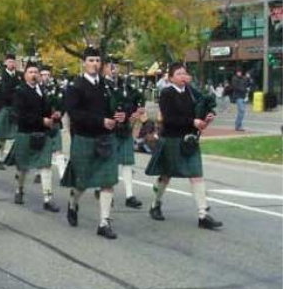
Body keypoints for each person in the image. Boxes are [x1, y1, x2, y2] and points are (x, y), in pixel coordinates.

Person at [145, 63, 223, 230]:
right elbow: (169, 119)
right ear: (171, 77)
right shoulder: (166, 93)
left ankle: (203, 215)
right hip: (172, 139)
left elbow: (198, 114)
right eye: (179, 73)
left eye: (184, 73)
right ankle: (155, 204)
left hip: (189, 140)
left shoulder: (191, 93)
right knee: (166, 175)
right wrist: (192, 121)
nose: (183, 76)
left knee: (196, 175)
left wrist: (205, 119)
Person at [61, 46, 126, 240]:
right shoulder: (75, 87)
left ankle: (104, 222)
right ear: (83, 63)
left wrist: (121, 115)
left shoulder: (107, 86)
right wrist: (100, 121)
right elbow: (74, 113)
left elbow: (117, 105)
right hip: (84, 138)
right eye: (91, 60)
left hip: (106, 139)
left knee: (107, 181)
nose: (95, 64)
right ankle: (73, 204)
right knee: (82, 182)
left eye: (97, 61)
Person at [4, 61, 60, 212]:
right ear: (25, 75)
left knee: (46, 166)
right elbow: (18, 115)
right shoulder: (19, 92)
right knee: (23, 167)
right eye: (31, 72)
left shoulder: (42, 90)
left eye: (36, 72)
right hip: (26, 133)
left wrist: (53, 115)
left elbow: (47, 109)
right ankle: (19, 190)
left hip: (43, 133)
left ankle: (48, 199)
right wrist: (41, 120)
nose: (34, 75)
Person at [101, 62, 144, 209]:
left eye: (116, 67)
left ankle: (129, 196)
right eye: (110, 66)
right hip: (108, 129)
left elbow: (138, 99)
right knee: (108, 162)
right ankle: (105, 192)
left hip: (124, 128)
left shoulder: (125, 85)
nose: (114, 70)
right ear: (104, 68)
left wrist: (137, 110)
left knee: (127, 163)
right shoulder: (100, 85)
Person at [0, 54, 22, 170]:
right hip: (4, 107)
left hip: (17, 108)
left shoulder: (20, 76)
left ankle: (16, 158)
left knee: (21, 134)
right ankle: (0, 158)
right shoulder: (1, 76)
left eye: (13, 62)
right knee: (2, 136)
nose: (12, 64)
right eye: (9, 62)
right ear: (5, 63)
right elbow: (1, 93)